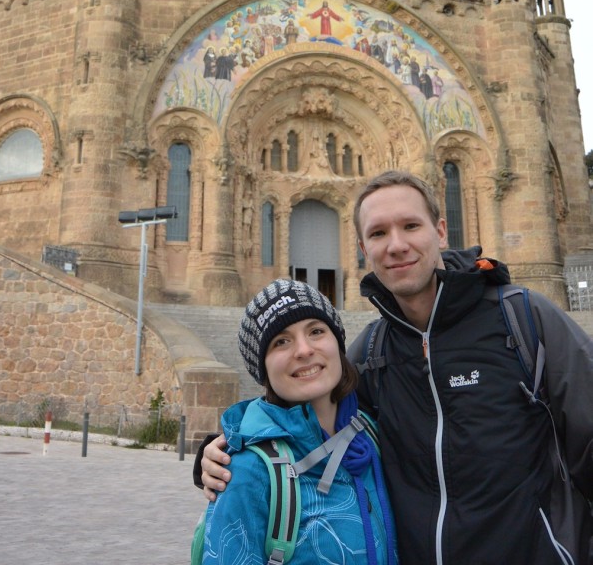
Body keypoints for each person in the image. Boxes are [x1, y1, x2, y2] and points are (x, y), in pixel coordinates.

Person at [198, 171, 593, 564]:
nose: (397, 245)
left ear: (440, 231)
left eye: (410, 226)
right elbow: (306, 408)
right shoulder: (372, 350)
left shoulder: (523, 319)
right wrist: (221, 452)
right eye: (378, 233)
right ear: (362, 248)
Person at [200, 278, 397, 564]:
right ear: (263, 369)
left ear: (338, 343)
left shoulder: (370, 435)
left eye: (316, 331)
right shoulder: (247, 470)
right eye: (281, 341)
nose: (304, 350)